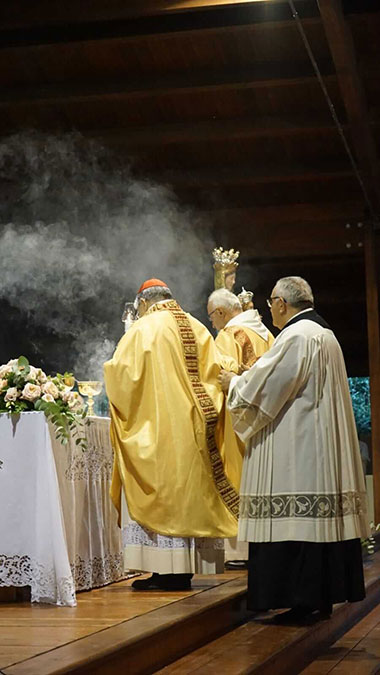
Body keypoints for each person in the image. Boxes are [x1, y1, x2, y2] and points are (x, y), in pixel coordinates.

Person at [219, 276, 369, 620]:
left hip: (298, 449)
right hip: (316, 445)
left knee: (296, 526)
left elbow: (268, 385)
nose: (270, 308)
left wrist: (234, 383)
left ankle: (301, 602)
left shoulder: (297, 336)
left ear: (282, 304)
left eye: (271, 302)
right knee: (315, 530)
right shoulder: (325, 335)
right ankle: (319, 598)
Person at [104, 279, 239, 591]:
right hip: (195, 428)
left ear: (143, 302)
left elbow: (121, 376)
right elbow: (222, 369)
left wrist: (110, 368)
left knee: (164, 497)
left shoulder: (143, 328)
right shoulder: (197, 327)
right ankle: (184, 570)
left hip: (160, 429)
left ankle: (165, 572)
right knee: (188, 497)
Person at [207, 288, 274, 568]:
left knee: (235, 478)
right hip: (265, 420)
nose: (212, 323)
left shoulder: (229, 335)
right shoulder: (267, 334)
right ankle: (260, 545)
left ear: (221, 312)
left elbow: (218, 378)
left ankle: (238, 550)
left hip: (236, 422)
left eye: (212, 317)